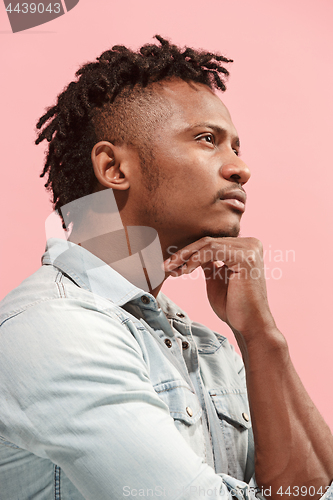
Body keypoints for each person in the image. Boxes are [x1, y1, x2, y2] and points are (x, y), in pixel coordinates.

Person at [0, 35, 332, 500]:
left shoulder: (211, 348)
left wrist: (261, 336)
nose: (240, 168)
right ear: (113, 167)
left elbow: (313, 491)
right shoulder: (51, 328)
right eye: (207, 140)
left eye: (237, 146)